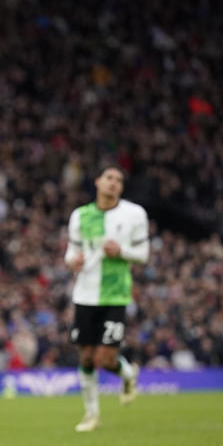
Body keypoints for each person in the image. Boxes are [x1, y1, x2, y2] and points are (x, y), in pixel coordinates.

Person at [64, 166, 149, 432]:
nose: (113, 183)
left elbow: (143, 254)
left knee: (107, 359)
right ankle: (91, 415)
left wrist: (121, 250)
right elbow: (70, 253)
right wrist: (72, 261)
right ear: (98, 181)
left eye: (119, 180)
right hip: (85, 294)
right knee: (87, 358)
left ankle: (127, 374)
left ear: (121, 188)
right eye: (109, 178)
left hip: (115, 295)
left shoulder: (134, 214)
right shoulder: (80, 215)